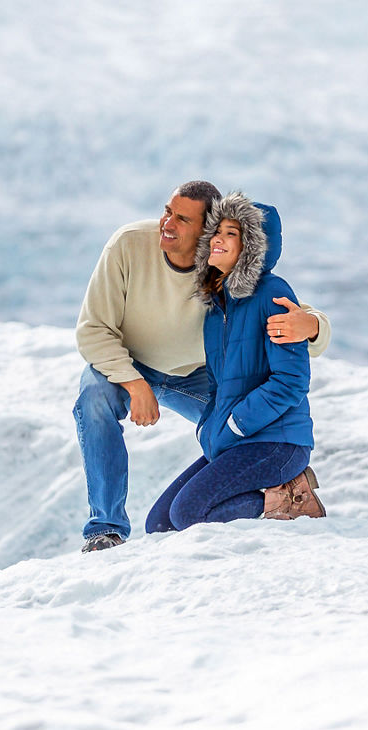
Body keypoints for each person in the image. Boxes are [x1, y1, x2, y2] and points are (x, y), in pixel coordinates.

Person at [74, 180, 331, 551]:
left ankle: (282, 487)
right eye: (167, 212)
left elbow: (291, 314)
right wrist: (135, 383)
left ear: (204, 231)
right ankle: (105, 529)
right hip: (130, 368)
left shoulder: (232, 278)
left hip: (196, 380)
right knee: (95, 401)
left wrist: (314, 326)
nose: (167, 224)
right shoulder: (133, 247)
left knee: (216, 468)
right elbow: (93, 329)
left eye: (182, 219)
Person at [146, 192, 322, 535]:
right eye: (216, 231)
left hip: (276, 443)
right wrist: (210, 426)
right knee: (160, 524)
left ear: (253, 247)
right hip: (235, 441)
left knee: (189, 515)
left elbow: (291, 382)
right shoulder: (217, 305)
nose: (218, 239)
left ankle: (285, 497)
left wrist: (236, 423)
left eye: (231, 233)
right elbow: (218, 383)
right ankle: (274, 491)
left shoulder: (272, 294)